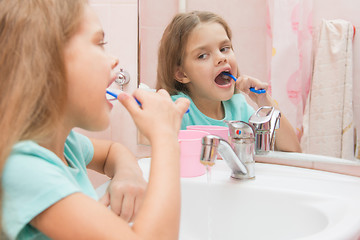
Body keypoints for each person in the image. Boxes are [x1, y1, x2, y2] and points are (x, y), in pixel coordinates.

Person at [0, 0, 189, 239]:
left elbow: (113, 151)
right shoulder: (23, 167)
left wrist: (128, 173)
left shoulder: (65, 145)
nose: (114, 60)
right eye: (99, 44)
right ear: (45, 65)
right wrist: (165, 137)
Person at [156, 11, 301, 153]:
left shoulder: (239, 108)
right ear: (182, 74)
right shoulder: (177, 110)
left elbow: (293, 151)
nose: (221, 58)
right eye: (203, 55)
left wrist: (264, 101)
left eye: (224, 48)